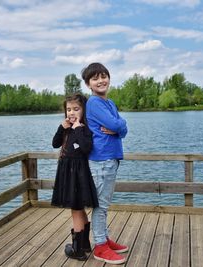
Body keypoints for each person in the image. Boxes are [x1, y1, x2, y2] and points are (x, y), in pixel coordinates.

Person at [81, 62, 128, 265]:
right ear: (88, 84)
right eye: (95, 78)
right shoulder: (94, 103)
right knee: (101, 204)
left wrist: (120, 126)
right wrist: (119, 126)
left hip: (111, 159)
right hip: (101, 160)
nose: (101, 81)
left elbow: (122, 128)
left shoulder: (109, 102)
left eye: (104, 76)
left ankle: (105, 239)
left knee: (104, 204)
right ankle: (100, 246)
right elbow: (116, 124)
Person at [51, 93, 99, 261]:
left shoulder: (84, 129)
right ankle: (84, 244)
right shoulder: (67, 128)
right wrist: (61, 127)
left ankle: (78, 250)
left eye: (76, 109)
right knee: (79, 209)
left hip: (77, 176)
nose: (71, 113)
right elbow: (55, 143)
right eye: (68, 109)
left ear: (83, 111)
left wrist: (78, 128)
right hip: (68, 173)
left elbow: (85, 148)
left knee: (76, 210)